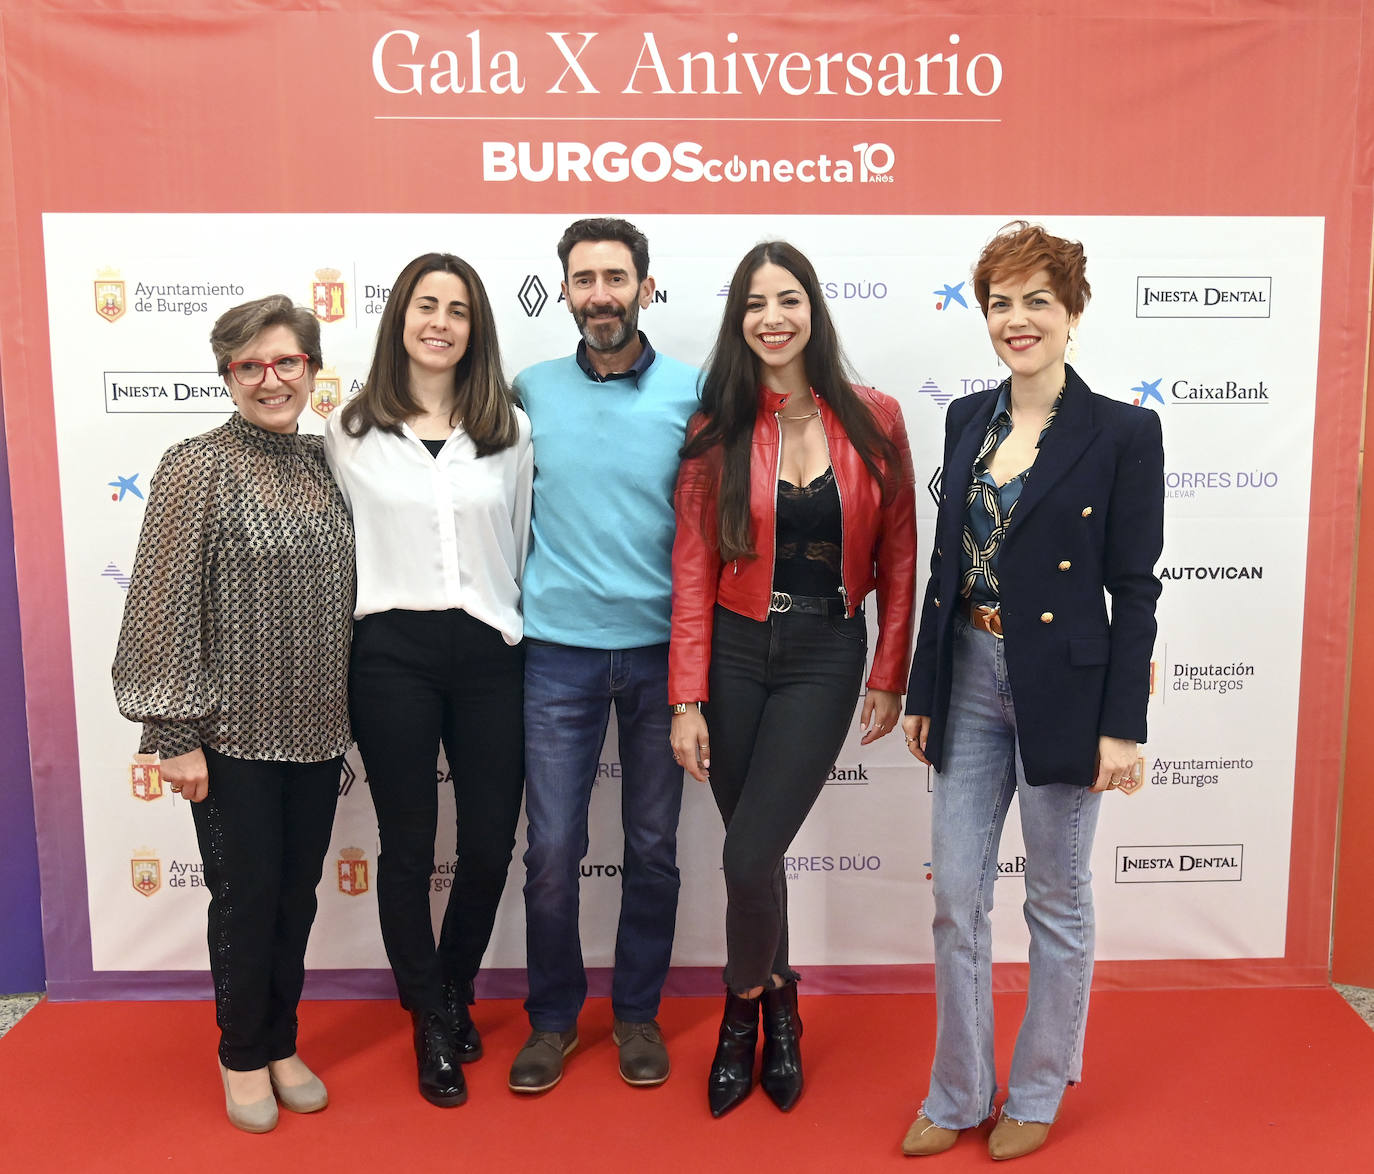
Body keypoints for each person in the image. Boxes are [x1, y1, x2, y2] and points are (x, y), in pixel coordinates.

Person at [899, 222, 1164, 1161]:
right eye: (1001, 303)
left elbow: (1134, 586)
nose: (1018, 321)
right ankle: (961, 1089)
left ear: (1072, 311)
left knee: (1056, 894)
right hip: (968, 672)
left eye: (1036, 302)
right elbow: (945, 568)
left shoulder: (1124, 431)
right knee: (956, 894)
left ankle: (1040, 1090)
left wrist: (1122, 726)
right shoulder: (967, 418)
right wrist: (925, 688)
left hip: (1067, 689)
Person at [668, 240, 917, 1116]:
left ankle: (742, 1011)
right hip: (734, 653)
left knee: (747, 847)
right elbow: (693, 568)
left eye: (788, 299)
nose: (772, 318)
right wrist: (686, 696)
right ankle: (775, 1007)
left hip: (824, 654)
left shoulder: (876, 415)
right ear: (738, 322)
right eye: (754, 304)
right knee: (755, 853)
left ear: (814, 308)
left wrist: (891, 670)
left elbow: (898, 551)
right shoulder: (719, 425)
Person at [113, 295, 355, 1133]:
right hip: (229, 736)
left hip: (320, 731)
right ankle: (242, 1053)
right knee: (245, 899)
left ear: (313, 372)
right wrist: (172, 735)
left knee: (297, 897)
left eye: (286, 362)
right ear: (227, 376)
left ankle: (281, 1040)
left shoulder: (333, 462)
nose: (270, 379)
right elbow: (159, 604)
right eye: (249, 366)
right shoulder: (195, 465)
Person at [324, 253, 532, 1108]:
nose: (440, 322)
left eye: (456, 309)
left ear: (475, 326)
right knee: (409, 849)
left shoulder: (510, 429)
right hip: (391, 655)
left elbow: (515, 541)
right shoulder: (349, 432)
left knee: (488, 843)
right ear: (399, 320)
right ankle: (426, 1020)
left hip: (489, 650)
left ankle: (453, 987)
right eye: (424, 306)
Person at [509, 217, 700, 1095]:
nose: (600, 295)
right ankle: (551, 1020)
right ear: (566, 292)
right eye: (583, 279)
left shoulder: (695, 393)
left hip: (666, 657)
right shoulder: (529, 390)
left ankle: (636, 1016)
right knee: (551, 849)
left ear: (646, 287)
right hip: (556, 654)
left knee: (653, 847)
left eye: (615, 277)